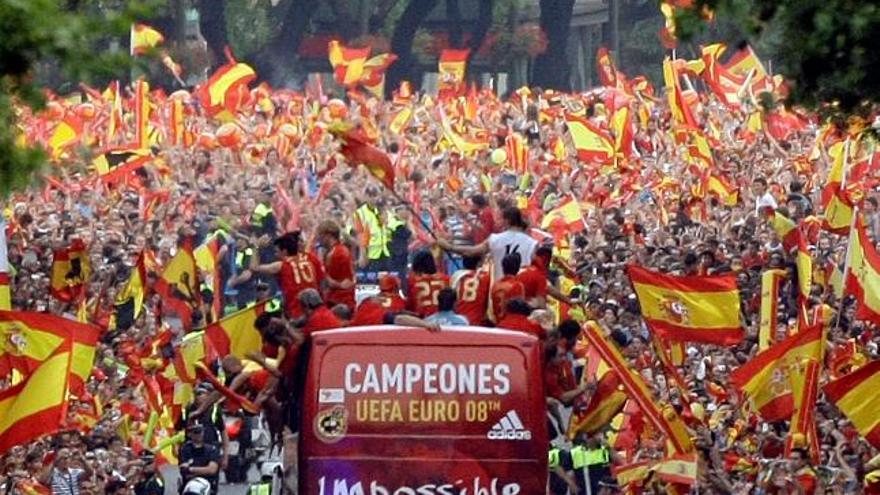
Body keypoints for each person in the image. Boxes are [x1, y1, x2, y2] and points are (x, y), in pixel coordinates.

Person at [439, 206, 537, 279]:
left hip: (499, 291)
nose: (498, 222)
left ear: (507, 220)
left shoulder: (495, 239)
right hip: (524, 291)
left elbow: (471, 252)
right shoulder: (532, 243)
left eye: (500, 219)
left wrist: (450, 247)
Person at [249, 231, 324, 319]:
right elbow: (322, 283)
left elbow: (253, 267)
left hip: (297, 312)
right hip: (317, 309)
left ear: (284, 251)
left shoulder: (281, 265)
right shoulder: (309, 260)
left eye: (277, 251)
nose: (275, 254)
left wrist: (256, 248)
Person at [316, 220, 356, 310]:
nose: (318, 238)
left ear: (328, 235)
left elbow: (342, 282)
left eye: (320, 235)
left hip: (339, 302)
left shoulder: (337, 253)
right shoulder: (337, 251)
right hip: (339, 300)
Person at [179, 423, 221, 493]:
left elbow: (212, 469)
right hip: (190, 484)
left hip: (207, 484)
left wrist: (191, 469)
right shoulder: (185, 449)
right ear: (190, 434)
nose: (198, 435)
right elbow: (184, 470)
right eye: (196, 432)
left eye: (200, 432)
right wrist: (203, 470)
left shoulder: (211, 449)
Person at [406, 250, 449, 317]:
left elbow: (410, 304)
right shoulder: (445, 279)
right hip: (443, 317)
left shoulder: (412, 280)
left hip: (421, 319)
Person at [452, 255, 490, 326]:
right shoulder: (486, 277)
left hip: (458, 321)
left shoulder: (456, 276)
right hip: (478, 322)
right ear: (478, 263)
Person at [490, 252, 525, 322]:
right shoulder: (517, 285)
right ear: (518, 268)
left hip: (498, 323)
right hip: (511, 324)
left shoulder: (495, 285)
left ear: (503, 268)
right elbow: (520, 310)